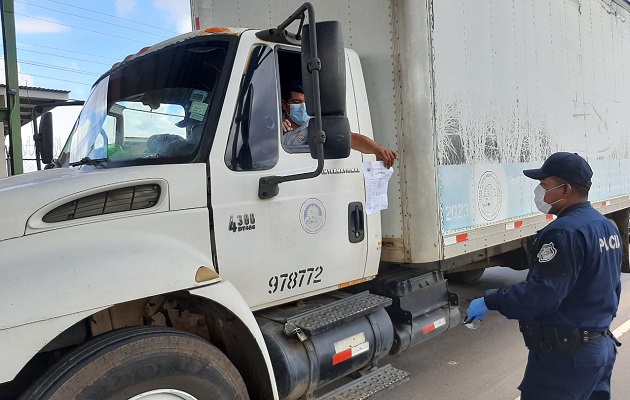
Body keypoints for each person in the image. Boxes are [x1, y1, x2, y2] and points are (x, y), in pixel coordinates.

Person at [466, 152, 622, 399]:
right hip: (599, 349)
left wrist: (490, 300)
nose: (540, 193)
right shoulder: (605, 226)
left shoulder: (563, 233)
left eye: (545, 185)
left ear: (565, 189)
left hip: (565, 360)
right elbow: (613, 287)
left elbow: (542, 294)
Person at [281, 83, 397, 168]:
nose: (303, 107)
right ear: (284, 105)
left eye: (306, 103)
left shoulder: (315, 126)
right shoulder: (274, 125)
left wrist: (377, 148)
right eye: (297, 102)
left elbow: (349, 138)